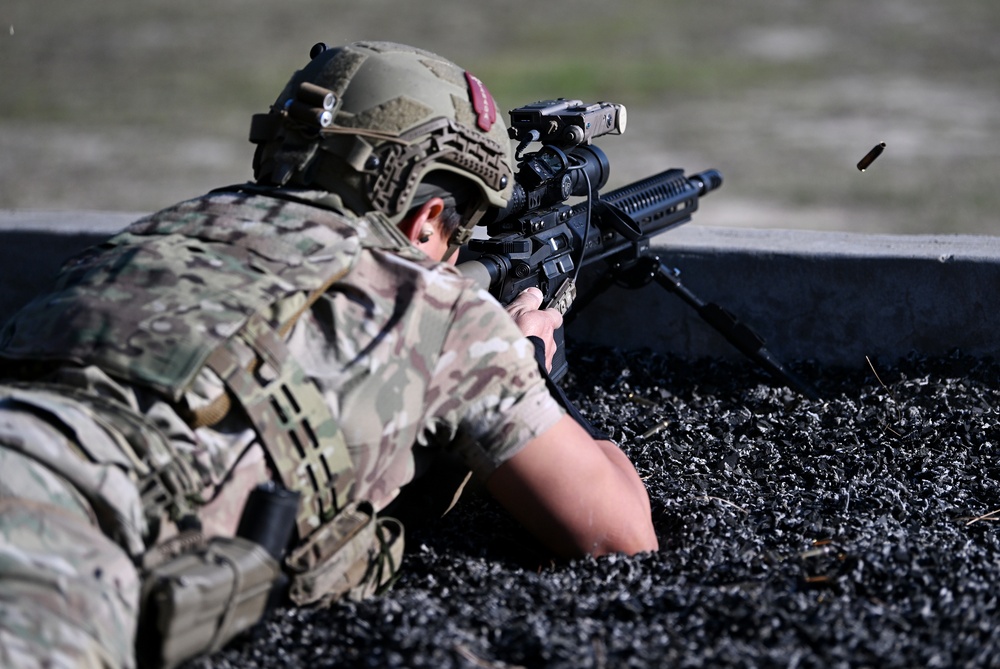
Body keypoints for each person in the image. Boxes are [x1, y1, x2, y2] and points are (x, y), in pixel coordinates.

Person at [0, 41, 658, 669]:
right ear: (429, 219)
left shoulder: (158, 233)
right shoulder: (439, 308)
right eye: (461, 231)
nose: (456, 257)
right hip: (55, 542)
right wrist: (526, 367)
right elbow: (620, 535)